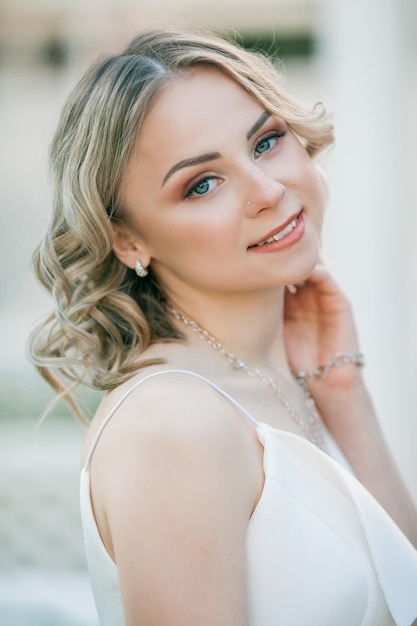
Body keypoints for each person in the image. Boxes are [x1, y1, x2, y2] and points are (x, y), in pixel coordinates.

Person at [28, 28, 417, 626]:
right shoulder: (172, 424)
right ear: (128, 239)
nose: (268, 191)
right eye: (201, 184)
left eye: (265, 142)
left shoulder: (283, 379)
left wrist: (345, 398)